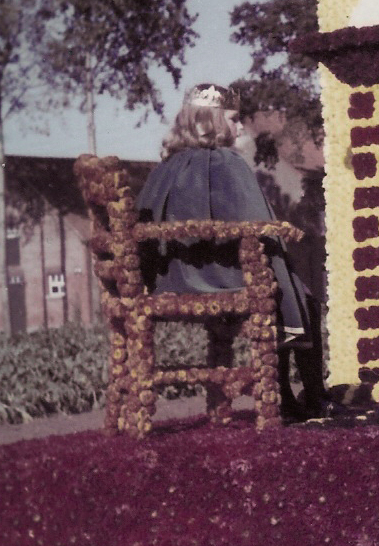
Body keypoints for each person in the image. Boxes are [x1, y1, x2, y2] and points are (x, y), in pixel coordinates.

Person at [136, 82, 326, 420]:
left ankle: (292, 395)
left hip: (170, 281)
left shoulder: (164, 168)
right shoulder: (227, 162)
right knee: (294, 292)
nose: (239, 127)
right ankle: (304, 396)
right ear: (211, 121)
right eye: (234, 119)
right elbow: (259, 227)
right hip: (224, 279)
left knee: (283, 284)